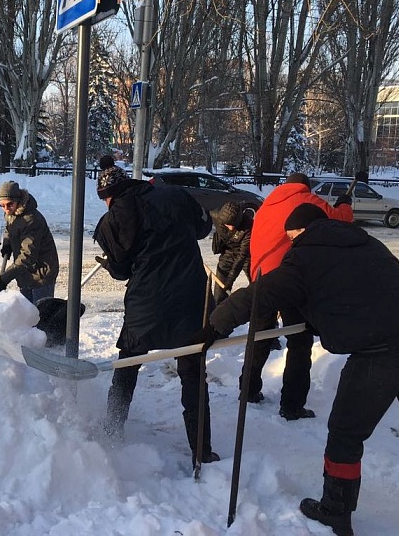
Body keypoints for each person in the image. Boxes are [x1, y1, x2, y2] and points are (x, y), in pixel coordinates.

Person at [202, 203, 399, 536]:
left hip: (378, 354)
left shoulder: (305, 257)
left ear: (301, 232)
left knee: (345, 435)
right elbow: (359, 291)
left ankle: (335, 512)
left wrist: (213, 327)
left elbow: (260, 294)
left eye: (292, 235)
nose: (291, 242)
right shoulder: (366, 243)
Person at [93, 165, 219, 464]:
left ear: (107, 196)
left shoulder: (112, 220)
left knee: (128, 365)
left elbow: (122, 271)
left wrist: (111, 264)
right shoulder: (174, 194)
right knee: (192, 374)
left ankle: (111, 432)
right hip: (192, 298)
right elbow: (203, 227)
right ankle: (202, 450)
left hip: (147, 303)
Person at [245, 172, 353, 420]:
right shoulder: (306, 201)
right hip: (290, 279)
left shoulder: (268, 202)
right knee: (299, 341)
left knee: (260, 336)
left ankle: (248, 389)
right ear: (305, 187)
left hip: (261, 278)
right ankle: (292, 405)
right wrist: (344, 203)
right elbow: (340, 221)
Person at [0, 180, 59, 304]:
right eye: (2, 205)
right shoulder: (11, 213)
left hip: (41, 273)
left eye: (9, 204)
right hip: (25, 273)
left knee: (39, 314)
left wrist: (5, 278)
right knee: (27, 314)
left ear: (18, 201)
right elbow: (9, 228)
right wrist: (7, 243)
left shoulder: (31, 220)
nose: (6, 209)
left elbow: (28, 255)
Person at [211, 202, 252, 304]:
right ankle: (218, 313)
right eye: (227, 225)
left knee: (256, 282)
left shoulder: (248, 225)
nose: (231, 228)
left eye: (233, 225)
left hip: (246, 254)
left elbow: (242, 256)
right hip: (228, 251)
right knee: (220, 290)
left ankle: (258, 308)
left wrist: (230, 280)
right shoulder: (216, 216)